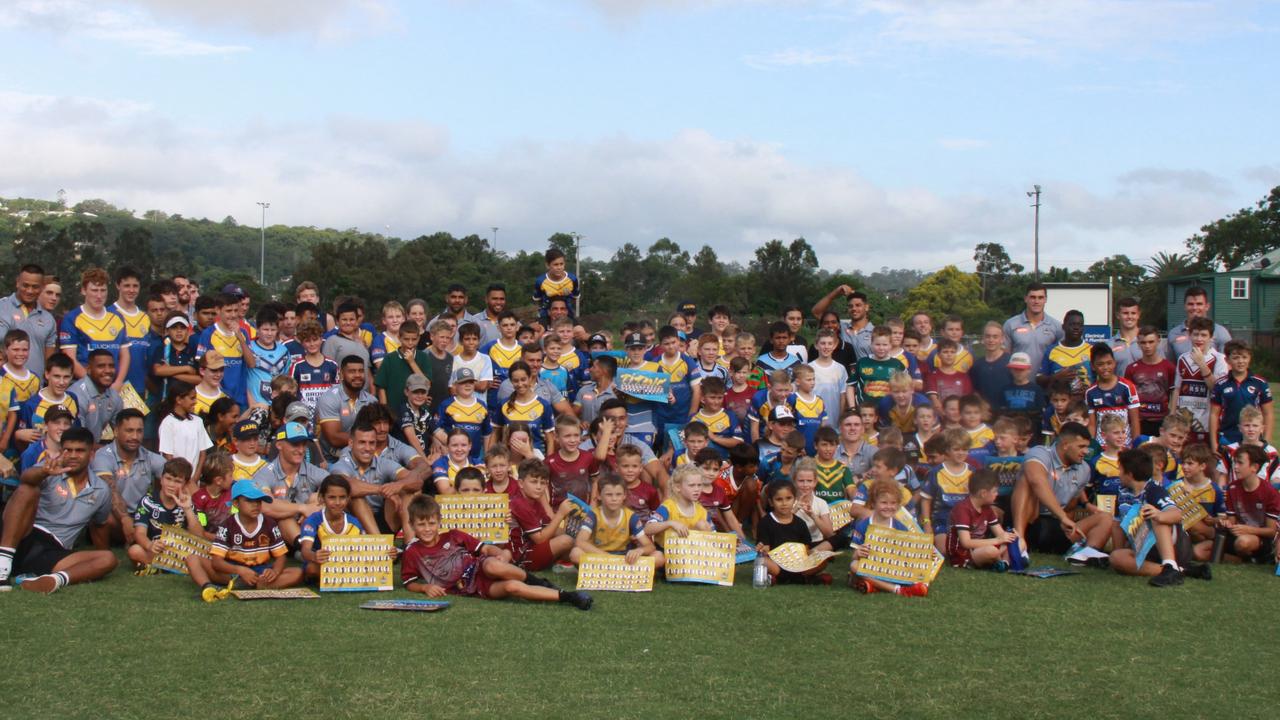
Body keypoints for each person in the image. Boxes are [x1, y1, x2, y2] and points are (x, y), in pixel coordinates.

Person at [402, 493, 591, 609]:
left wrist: (496, 553)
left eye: (431, 523)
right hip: (469, 588)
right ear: (412, 525)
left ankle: (542, 583)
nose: (427, 529)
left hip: (478, 567)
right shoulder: (413, 553)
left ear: (439, 522)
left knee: (493, 565)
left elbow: (484, 548)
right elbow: (409, 582)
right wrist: (425, 587)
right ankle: (568, 597)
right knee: (512, 587)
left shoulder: (453, 535)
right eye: (421, 524)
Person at [0, 427, 118, 592]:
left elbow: (99, 526)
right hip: (23, 535)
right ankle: (3, 565)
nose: (73, 455)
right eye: (68, 450)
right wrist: (44, 472)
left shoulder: (101, 490)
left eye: (79, 451)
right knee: (29, 488)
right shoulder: (50, 468)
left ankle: (53, 580)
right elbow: (26, 479)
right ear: (61, 451)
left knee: (108, 558)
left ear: (91, 454)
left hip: (55, 550)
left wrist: (98, 555)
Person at [186, 479, 302, 601]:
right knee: (192, 559)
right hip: (232, 571)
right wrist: (240, 571)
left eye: (258, 501)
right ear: (236, 503)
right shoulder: (227, 525)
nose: (256, 505)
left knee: (297, 573)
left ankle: (255, 584)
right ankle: (208, 587)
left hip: (260, 571)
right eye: (249, 501)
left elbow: (281, 556)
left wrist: (275, 572)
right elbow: (217, 562)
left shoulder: (270, 524)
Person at [1109, 448, 1209, 586]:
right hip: (1145, 548)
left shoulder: (1154, 490)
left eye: (1120, 470)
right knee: (1116, 558)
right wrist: (1118, 550)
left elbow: (1176, 514)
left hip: (1175, 546)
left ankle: (1170, 563)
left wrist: (1159, 515)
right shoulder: (1122, 493)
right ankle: (1179, 570)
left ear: (1130, 474)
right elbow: (1116, 526)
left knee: (1155, 514)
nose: (1118, 474)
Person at [1010, 422, 1110, 560]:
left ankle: (1085, 554)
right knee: (1026, 480)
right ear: (1065, 445)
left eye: (1087, 446)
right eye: (1081, 446)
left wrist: (1069, 521)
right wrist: (1062, 516)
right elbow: (1036, 481)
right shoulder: (1040, 453)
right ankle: (1019, 542)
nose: (1086, 451)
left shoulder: (1084, 469)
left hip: (1056, 525)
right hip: (1030, 520)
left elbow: (1071, 506)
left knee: (1105, 517)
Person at [90, 408, 166, 538]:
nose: (135, 437)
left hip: (142, 515)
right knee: (103, 517)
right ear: (116, 431)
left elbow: (176, 475)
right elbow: (111, 491)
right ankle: (105, 553)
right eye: (129, 431)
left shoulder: (149, 457)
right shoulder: (103, 456)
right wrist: (125, 518)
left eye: (139, 431)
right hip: (114, 515)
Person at [847, 477, 929, 597]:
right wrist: (859, 552)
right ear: (874, 503)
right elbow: (854, 556)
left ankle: (873, 586)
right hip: (871, 567)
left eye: (893, 503)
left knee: (923, 576)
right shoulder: (863, 525)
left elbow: (907, 555)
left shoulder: (900, 527)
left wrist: (925, 555)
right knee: (854, 566)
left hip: (891, 568)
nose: (889, 507)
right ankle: (896, 589)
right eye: (884, 502)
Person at [1200, 444, 1280, 563]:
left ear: (1254, 467)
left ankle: (1263, 556)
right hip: (1236, 534)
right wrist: (1225, 523)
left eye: (1240, 463)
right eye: (1234, 462)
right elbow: (1232, 521)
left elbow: (1271, 531)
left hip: (1258, 538)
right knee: (1199, 551)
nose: (1235, 467)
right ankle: (1245, 560)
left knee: (1243, 542)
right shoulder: (1233, 488)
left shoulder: (1270, 492)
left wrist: (1248, 529)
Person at [126, 458, 202, 571]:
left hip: (181, 551)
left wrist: (187, 509)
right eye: (168, 479)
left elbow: (199, 536)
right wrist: (150, 545)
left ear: (185, 484)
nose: (171, 484)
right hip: (156, 550)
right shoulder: (148, 501)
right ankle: (176, 567)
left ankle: (158, 566)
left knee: (204, 554)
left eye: (177, 481)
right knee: (134, 550)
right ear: (161, 479)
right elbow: (139, 533)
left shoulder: (188, 503)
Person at [58, 267, 130, 388]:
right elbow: (69, 357)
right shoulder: (72, 318)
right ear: (84, 290)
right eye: (94, 290)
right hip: (84, 385)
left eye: (103, 290)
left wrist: (118, 382)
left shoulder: (117, 318)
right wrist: (93, 383)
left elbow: (125, 355)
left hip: (113, 386)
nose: (99, 295)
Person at [754, 478, 832, 585]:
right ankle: (801, 579)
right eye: (779, 499)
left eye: (788, 498)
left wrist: (812, 557)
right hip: (777, 564)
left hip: (798, 565)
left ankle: (790, 578)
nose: (784, 503)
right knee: (762, 561)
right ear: (771, 502)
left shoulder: (800, 523)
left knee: (822, 560)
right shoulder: (765, 522)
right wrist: (762, 549)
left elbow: (806, 548)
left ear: (795, 500)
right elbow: (765, 548)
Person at [570, 473, 657, 567]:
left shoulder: (630, 516)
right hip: (599, 557)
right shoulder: (593, 515)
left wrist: (640, 550)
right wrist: (606, 557)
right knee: (575, 553)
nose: (614, 499)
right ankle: (616, 570)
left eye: (618, 494)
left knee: (658, 556)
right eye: (609, 495)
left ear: (624, 496)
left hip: (623, 559)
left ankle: (614, 570)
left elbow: (650, 546)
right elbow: (580, 541)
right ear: (599, 495)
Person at [508, 459, 577, 571]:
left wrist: (574, 530)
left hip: (532, 548)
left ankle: (580, 560)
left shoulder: (534, 500)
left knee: (572, 537)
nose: (539, 487)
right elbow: (539, 539)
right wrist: (560, 514)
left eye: (543, 482)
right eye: (534, 482)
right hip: (520, 557)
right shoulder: (519, 503)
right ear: (520, 483)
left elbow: (549, 527)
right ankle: (565, 561)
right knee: (566, 540)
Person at [1172, 316, 1228, 445]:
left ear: (1211, 337)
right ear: (1189, 335)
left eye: (1203, 335)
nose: (1199, 339)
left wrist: (1202, 365)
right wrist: (1172, 414)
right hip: (1184, 423)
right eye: (1195, 334)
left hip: (1207, 423)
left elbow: (1217, 390)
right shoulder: (1183, 359)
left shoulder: (1219, 359)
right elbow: (1177, 389)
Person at [1208, 340, 1272, 452]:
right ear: (1227, 360)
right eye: (1236, 357)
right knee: (1228, 468)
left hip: (1253, 438)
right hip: (1228, 437)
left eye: (1244, 357)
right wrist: (1214, 445)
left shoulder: (1260, 383)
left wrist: (1265, 442)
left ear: (1249, 358)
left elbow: (1268, 414)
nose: (1241, 361)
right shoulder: (1220, 384)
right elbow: (1214, 414)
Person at [946, 468, 1013, 570]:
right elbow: (966, 542)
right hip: (963, 554)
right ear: (983, 493)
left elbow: (1000, 533)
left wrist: (1009, 536)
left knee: (1018, 541)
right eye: (995, 491)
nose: (997, 494)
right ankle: (1002, 561)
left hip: (980, 548)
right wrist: (998, 540)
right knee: (991, 551)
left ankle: (1004, 563)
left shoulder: (987, 508)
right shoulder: (962, 509)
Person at [919, 428, 973, 551]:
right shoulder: (935, 472)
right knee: (943, 551)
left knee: (965, 548)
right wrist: (927, 523)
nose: (961, 453)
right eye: (956, 449)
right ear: (946, 450)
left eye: (964, 449)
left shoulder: (972, 472)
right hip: (941, 519)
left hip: (965, 520)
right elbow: (926, 500)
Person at [0, 264, 58, 378]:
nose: (29, 291)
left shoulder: (48, 320)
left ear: (42, 287)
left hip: (35, 388)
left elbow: (49, 362)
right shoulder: (2, 307)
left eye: (35, 287)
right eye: (25, 285)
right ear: (17, 282)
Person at [315, 355, 377, 463]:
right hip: (332, 460)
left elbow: (378, 433)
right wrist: (367, 440)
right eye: (352, 371)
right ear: (342, 375)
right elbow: (334, 438)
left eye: (361, 371)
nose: (358, 375)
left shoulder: (372, 401)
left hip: (364, 459)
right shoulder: (329, 398)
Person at [194, 292, 250, 407]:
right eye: (228, 311)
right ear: (218, 310)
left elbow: (252, 363)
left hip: (240, 398)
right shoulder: (208, 334)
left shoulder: (243, 333)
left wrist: (240, 337)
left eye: (236, 310)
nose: (233, 315)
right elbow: (201, 367)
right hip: (218, 398)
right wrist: (220, 393)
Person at [643, 465, 712, 559]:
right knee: (657, 557)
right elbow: (647, 529)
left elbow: (713, 537)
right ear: (677, 487)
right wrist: (670, 523)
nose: (697, 489)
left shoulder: (702, 511)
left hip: (691, 554)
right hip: (667, 552)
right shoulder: (668, 507)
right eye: (692, 485)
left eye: (699, 485)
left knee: (703, 524)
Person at [1084, 342, 1141, 446]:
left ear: (1114, 363)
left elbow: (1134, 421)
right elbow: (1092, 425)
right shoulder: (1090, 392)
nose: (1105, 367)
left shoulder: (1127, 387)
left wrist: (1135, 446)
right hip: (1102, 446)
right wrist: (1092, 446)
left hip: (1124, 445)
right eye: (1100, 364)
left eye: (1109, 363)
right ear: (1092, 366)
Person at [1124, 325, 1176, 438]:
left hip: (1162, 421)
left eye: (1151, 342)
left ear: (1159, 341)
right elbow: (1128, 398)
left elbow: (1174, 394)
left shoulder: (1169, 367)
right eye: (1143, 343)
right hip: (1139, 421)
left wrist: (1171, 417)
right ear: (1138, 344)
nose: (1147, 346)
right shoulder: (1132, 369)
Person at [109, 267, 151, 400]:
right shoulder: (109, 314)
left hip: (139, 386)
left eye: (135, 286)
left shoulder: (145, 317)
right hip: (115, 385)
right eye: (127, 286)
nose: (131, 290)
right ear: (118, 286)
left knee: (136, 421)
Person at [1003, 282, 1063, 374]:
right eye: (1032, 297)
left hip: (1045, 385)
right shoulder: (1010, 324)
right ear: (1025, 299)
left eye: (1040, 297)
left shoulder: (1056, 327)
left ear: (1045, 300)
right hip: (1018, 384)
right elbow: (1004, 357)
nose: (1036, 301)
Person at [157, 380, 210, 482]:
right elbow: (168, 456)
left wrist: (195, 478)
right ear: (179, 400)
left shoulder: (198, 421)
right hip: (176, 481)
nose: (195, 402)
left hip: (194, 481)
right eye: (192, 398)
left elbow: (203, 453)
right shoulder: (168, 423)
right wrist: (179, 480)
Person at [67, 349, 123, 444]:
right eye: (101, 366)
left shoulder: (114, 396)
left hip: (93, 448)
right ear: (88, 369)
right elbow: (77, 439)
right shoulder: (76, 395)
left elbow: (122, 433)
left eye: (111, 366)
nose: (108, 371)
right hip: (73, 449)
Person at [1166, 286, 1232, 362]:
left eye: (1199, 304)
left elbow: (1228, 365)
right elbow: (1171, 366)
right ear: (1185, 306)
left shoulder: (1220, 332)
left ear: (1207, 306)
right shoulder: (1173, 334)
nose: (1194, 308)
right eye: (1190, 304)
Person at [148, 312, 200, 404]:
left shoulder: (193, 351)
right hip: (165, 401)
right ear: (167, 331)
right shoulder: (161, 349)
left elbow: (199, 379)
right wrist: (186, 368)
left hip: (188, 403)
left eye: (182, 328)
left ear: (188, 331)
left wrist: (170, 372)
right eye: (174, 327)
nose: (179, 331)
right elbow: (158, 370)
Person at [811, 285, 874, 361]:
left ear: (866, 307)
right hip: (842, 371)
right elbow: (817, 312)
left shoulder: (875, 332)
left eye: (858, 305)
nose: (854, 308)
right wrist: (837, 292)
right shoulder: (840, 327)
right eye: (850, 306)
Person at [1038, 310, 1092, 399]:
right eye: (1072, 324)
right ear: (1063, 326)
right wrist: (1055, 377)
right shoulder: (1052, 350)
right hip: (1059, 405)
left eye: (1080, 325)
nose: (1076, 328)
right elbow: (1039, 379)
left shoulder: (1092, 350)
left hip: (1084, 405)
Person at [246, 308, 290, 411]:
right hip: (256, 405)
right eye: (265, 329)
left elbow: (286, 378)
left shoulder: (284, 351)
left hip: (277, 407)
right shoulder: (249, 348)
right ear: (257, 328)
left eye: (273, 330)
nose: (269, 333)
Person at [969, 321, 1011, 409]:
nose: (991, 340)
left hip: (1007, 413)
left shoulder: (1010, 362)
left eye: (995, 337)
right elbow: (974, 390)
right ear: (983, 339)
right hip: (985, 413)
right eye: (988, 336)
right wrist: (982, 405)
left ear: (1002, 339)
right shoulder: (977, 365)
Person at [532, 248, 580, 323]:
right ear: (548, 265)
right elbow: (538, 300)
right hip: (545, 316)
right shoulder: (540, 281)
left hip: (568, 315)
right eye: (555, 264)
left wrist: (567, 299)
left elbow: (575, 297)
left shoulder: (572, 279)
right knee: (538, 331)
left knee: (579, 331)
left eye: (561, 264)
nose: (559, 267)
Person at [322, 302, 372, 373]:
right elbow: (326, 369)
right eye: (344, 320)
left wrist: (372, 384)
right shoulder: (332, 341)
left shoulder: (362, 342)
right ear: (337, 322)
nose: (348, 323)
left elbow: (367, 369)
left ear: (357, 321)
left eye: (351, 319)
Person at [924, 339, 972, 412]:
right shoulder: (932, 376)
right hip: (941, 416)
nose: (949, 355)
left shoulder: (963, 376)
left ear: (956, 355)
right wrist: (945, 415)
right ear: (939, 355)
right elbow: (934, 400)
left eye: (952, 352)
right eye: (945, 352)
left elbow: (966, 400)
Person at [999, 352, 1046, 420]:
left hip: (1030, 426)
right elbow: (1002, 412)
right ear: (1010, 370)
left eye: (1022, 369)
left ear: (1029, 370)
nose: (1018, 372)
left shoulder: (1036, 389)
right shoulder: (1004, 389)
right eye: (1015, 369)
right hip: (1010, 426)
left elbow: (1040, 412)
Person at [1108, 297, 1143, 375]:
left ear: (1138, 315)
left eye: (1133, 313)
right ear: (1117, 315)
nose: (1130, 317)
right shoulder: (1109, 345)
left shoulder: (1148, 341)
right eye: (1125, 313)